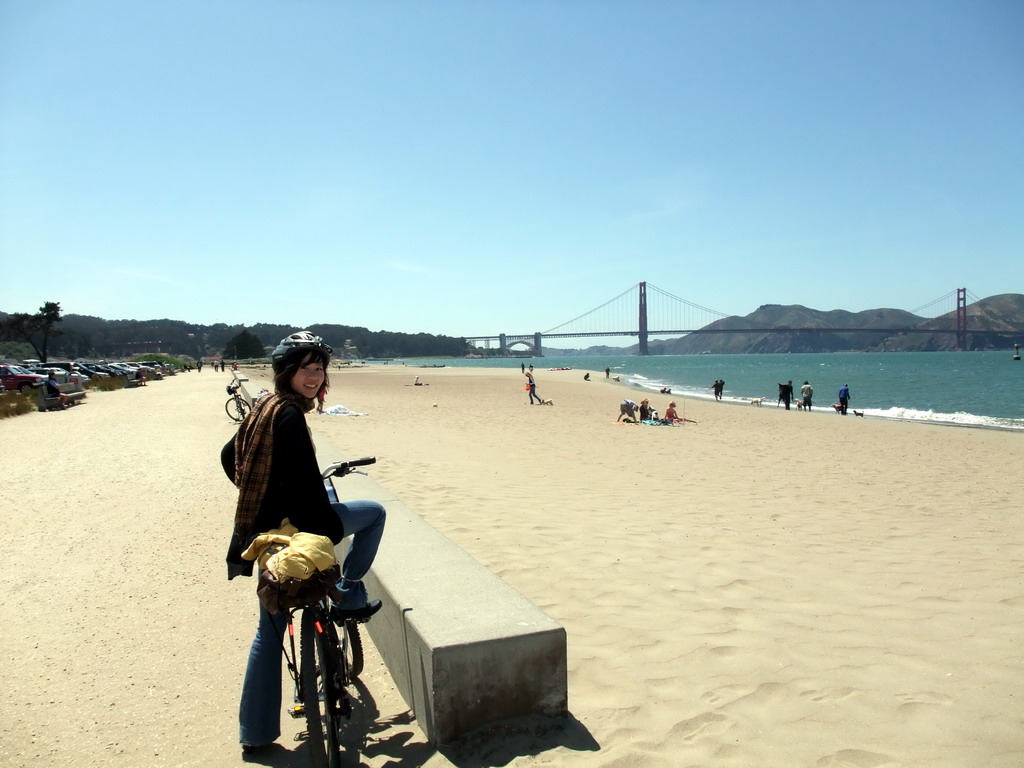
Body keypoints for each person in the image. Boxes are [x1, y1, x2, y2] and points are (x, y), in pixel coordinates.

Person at [221, 331, 386, 754]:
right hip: (299, 528)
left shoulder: (264, 406)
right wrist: (328, 531)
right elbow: (307, 490)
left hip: (263, 531)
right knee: (374, 514)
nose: (313, 377)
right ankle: (348, 592)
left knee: (269, 631)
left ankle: (255, 734)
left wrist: (262, 492)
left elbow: (228, 454)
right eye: (305, 369)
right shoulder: (291, 416)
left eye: (319, 369)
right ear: (286, 372)